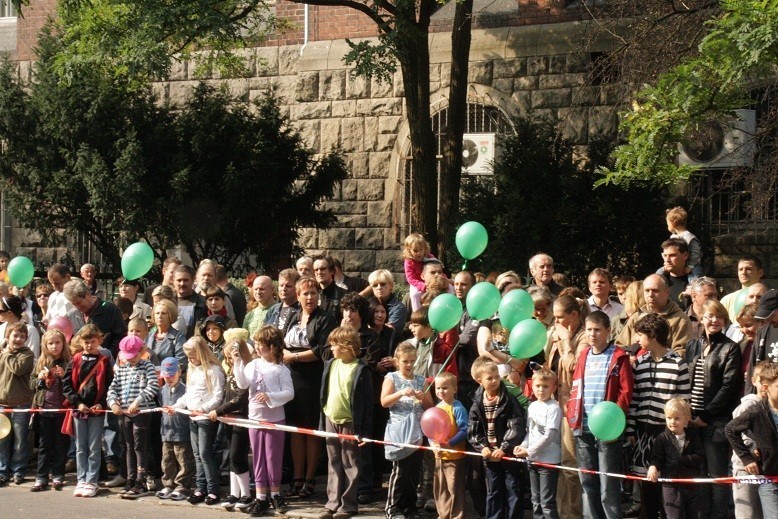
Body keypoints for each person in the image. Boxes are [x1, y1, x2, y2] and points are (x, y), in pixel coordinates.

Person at [566, 311, 633, 519]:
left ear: (607, 331)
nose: (592, 334)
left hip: (607, 430)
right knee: (587, 482)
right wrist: (571, 412)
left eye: (597, 330)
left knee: (608, 485)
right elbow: (576, 387)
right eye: (588, 330)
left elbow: (626, 391)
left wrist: (613, 419)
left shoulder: (618, 356)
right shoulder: (584, 354)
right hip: (583, 427)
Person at [625, 313, 690, 519]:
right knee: (646, 487)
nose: (637, 340)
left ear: (652, 336)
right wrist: (630, 428)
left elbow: (684, 401)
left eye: (640, 335)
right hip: (643, 433)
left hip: (667, 432)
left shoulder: (678, 364)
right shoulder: (641, 364)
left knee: (668, 487)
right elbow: (635, 398)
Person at [684, 299, 741, 519]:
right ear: (701, 319)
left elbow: (729, 386)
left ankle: (718, 515)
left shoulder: (730, 347)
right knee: (698, 475)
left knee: (717, 476)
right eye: (709, 316)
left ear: (725, 321)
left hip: (715, 421)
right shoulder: (692, 345)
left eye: (719, 316)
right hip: (692, 420)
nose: (714, 320)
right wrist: (690, 415)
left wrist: (706, 415)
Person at [283, 277, 337, 499]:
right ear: (298, 295)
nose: (310, 297)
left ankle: (310, 478)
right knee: (296, 431)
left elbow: (321, 351)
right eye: (305, 293)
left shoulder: (326, 319)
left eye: (314, 293)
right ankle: (297, 477)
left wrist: (293, 356)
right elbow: (283, 343)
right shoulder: (292, 316)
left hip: (314, 380)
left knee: (311, 431)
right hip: (292, 379)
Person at [233, 325, 294, 516]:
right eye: (256, 344)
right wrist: (237, 363)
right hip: (255, 418)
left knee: (272, 457)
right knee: (258, 458)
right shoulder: (254, 364)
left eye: (261, 344)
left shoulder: (281, 369)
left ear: (273, 346)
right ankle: (260, 497)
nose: (257, 348)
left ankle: (275, 494)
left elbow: (289, 393)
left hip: (274, 419)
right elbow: (243, 384)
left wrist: (270, 397)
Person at [319, 326, 373, 519]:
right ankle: (332, 503)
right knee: (333, 462)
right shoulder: (331, 363)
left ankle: (349, 504)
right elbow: (324, 392)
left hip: (350, 422)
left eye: (334, 345)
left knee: (350, 463)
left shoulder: (361, 369)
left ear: (347, 346)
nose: (331, 348)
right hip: (330, 417)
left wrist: (364, 431)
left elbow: (367, 404)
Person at [541, 294, 586, 519]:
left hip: (573, 409)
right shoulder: (557, 336)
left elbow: (575, 368)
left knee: (570, 466)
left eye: (560, 317)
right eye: (555, 318)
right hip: (555, 406)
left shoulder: (585, 337)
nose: (556, 322)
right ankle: (558, 512)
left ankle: (573, 514)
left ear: (575, 315)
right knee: (556, 463)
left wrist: (567, 342)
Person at [468, 356, 527, 519]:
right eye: (490, 378)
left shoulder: (509, 399)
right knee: (493, 491)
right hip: (490, 456)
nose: (495, 381)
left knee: (513, 490)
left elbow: (516, 425)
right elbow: (473, 430)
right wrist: (482, 447)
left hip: (507, 454)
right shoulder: (477, 402)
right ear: (479, 381)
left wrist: (504, 448)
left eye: (497, 377)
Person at [171, 336, 225, 505]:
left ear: (201, 353)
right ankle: (200, 488)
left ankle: (213, 489)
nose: (190, 359)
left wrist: (202, 409)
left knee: (205, 453)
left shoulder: (214, 371)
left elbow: (218, 396)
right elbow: (189, 394)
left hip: (205, 418)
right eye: (188, 356)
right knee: (197, 454)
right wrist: (177, 405)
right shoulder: (193, 370)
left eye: (193, 356)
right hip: (192, 417)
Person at [382, 342, 433, 519]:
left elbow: (430, 406)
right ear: (397, 361)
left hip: (417, 432)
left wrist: (422, 396)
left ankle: (410, 506)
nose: (409, 365)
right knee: (400, 470)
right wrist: (401, 393)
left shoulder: (421, 379)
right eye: (405, 361)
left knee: (414, 470)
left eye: (412, 360)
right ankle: (393, 507)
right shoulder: (392, 377)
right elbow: (384, 401)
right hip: (399, 431)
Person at [61, 323, 113, 498]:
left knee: (93, 447)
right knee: (80, 447)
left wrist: (102, 404)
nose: (89, 345)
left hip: (96, 411)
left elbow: (109, 386)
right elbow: (67, 385)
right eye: (86, 342)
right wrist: (78, 403)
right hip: (79, 409)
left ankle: (92, 480)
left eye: (93, 341)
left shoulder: (104, 361)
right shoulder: (75, 360)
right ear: (81, 343)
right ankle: (81, 479)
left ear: (99, 341)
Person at [107, 335, 160, 499]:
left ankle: (141, 481)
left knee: (139, 447)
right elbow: (112, 388)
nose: (131, 360)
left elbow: (153, 386)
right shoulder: (122, 368)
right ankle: (130, 480)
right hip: (124, 414)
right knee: (128, 447)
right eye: (127, 357)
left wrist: (138, 401)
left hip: (141, 413)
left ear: (141, 351)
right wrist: (113, 403)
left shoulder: (147, 366)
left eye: (134, 356)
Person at [725, 361, 778, 517]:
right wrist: (747, 457)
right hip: (766, 478)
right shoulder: (755, 410)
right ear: (766, 388)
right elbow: (731, 429)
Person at [513, 367, 562, 519]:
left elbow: (550, 436)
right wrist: (523, 445)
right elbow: (530, 431)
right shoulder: (533, 406)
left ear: (553, 388)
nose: (541, 390)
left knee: (547, 502)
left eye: (546, 386)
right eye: (538, 386)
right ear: (532, 386)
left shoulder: (554, 408)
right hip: (533, 460)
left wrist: (529, 451)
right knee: (535, 501)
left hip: (549, 462)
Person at [209, 339, 252, 511]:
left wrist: (218, 411)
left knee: (237, 456)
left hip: (241, 418)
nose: (229, 361)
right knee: (233, 459)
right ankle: (235, 494)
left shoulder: (245, 370)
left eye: (231, 357)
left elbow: (240, 398)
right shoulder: (232, 370)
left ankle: (246, 495)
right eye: (226, 358)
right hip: (228, 418)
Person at [646, 398, 704, 519]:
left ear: (686, 419)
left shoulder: (693, 436)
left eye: (677, 418)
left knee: (695, 515)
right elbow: (656, 458)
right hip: (670, 485)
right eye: (669, 418)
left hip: (691, 485)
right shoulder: (662, 439)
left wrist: (682, 459)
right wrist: (653, 467)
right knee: (674, 516)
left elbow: (700, 457)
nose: (672, 422)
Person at [30, 329, 71, 491]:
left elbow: (74, 385)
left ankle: (58, 475)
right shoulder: (41, 363)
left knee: (61, 444)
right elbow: (31, 384)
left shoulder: (68, 362)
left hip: (62, 410)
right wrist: (39, 379)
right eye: (50, 343)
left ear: (63, 343)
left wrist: (65, 376)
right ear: (45, 345)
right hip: (44, 410)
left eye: (57, 342)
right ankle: (41, 477)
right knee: (44, 445)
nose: (54, 346)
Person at [616, 273, 693, 356]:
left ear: (667, 292)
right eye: (647, 291)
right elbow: (620, 347)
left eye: (655, 290)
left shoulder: (680, 320)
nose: (650, 295)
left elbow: (681, 352)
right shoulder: (636, 317)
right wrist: (628, 358)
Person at [428, 371, 468, 519]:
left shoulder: (457, 408)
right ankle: (443, 514)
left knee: (454, 488)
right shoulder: (437, 407)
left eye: (445, 388)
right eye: (438, 388)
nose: (441, 391)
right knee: (440, 488)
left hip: (454, 456)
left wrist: (449, 443)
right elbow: (430, 431)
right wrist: (434, 446)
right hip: (440, 456)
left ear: (455, 389)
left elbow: (465, 430)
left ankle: (457, 515)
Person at [0, 322, 35, 487]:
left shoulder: (27, 354)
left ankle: (18, 470)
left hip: (21, 403)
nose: (19, 339)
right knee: (2, 439)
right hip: (2, 403)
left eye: (22, 336)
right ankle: (2, 470)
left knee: (20, 439)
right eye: (15, 335)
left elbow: (17, 369)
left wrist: (6, 353)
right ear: (7, 337)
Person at [156, 357, 195, 502]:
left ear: (179, 372)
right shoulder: (161, 391)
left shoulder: (186, 390)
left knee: (184, 461)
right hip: (166, 432)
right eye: (166, 375)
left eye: (172, 374)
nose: (169, 378)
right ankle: (168, 484)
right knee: (167, 460)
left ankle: (182, 487)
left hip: (182, 432)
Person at [63, 278, 127, 356]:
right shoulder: (71, 315)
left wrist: (108, 355)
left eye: (79, 303)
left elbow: (121, 336)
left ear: (87, 294)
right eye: (74, 304)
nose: (77, 307)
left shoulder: (110, 309)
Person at [407, 306, 458, 378]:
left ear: (429, 327)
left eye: (416, 326)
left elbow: (451, 376)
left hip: (431, 388)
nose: (412, 329)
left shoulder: (443, 349)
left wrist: (426, 382)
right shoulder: (409, 346)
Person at [746, 288, 778, 394]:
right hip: (767, 399)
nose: (768, 320)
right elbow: (753, 369)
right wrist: (749, 399)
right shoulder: (764, 332)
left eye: (771, 315)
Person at [146, 299, 187, 375]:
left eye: (164, 313)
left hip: (169, 378)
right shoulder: (148, 336)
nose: (160, 316)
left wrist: (164, 373)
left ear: (171, 316)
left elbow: (181, 362)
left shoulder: (178, 337)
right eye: (157, 313)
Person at [720, 255, 764, 322]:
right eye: (740, 269)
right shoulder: (727, 301)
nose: (743, 273)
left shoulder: (770, 298)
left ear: (760, 273)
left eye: (748, 269)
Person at [665, 206, 703, 278]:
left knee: (694, 279)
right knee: (659, 272)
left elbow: (695, 254)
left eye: (667, 224)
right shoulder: (673, 237)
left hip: (693, 265)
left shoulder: (690, 238)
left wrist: (690, 266)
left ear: (673, 223)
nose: (667, 226)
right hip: (677, 265)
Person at [0, 295, 41, 359]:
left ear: (9, 313)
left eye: (0, 311)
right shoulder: (1, 328)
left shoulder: (30, 330)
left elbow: (34, 359)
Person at [659, 238, 694, 310]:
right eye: (665, 256)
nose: (667, 260)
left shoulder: (695, 282)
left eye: (672, 255)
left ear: (685, 255)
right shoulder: (659, 282)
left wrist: (695, 296)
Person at [403, 233, 435, 312]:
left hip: (432, 281)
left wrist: (444, 279)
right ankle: (417, 313)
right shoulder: (409, 262)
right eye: (415, 250)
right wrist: (423, 286)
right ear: (409, 250)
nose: (419, 253)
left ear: (425, 248)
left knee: (449, 288)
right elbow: (411, 279)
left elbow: (437, 269)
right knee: (415, 295)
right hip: (417, 283)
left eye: (421, 249)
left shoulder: (430, 257)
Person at [173, 265, 207, 338]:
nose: (182, 283)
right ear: (173, 281)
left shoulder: (203, 302)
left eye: (186, 280)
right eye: (179, 280)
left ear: (192, 280)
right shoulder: (167, 303)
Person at [314, 255, 348, 320]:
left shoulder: (344, 295)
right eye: (316, 270)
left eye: (323, 269)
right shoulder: (312, 294)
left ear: (332, 271)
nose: (319, 272)